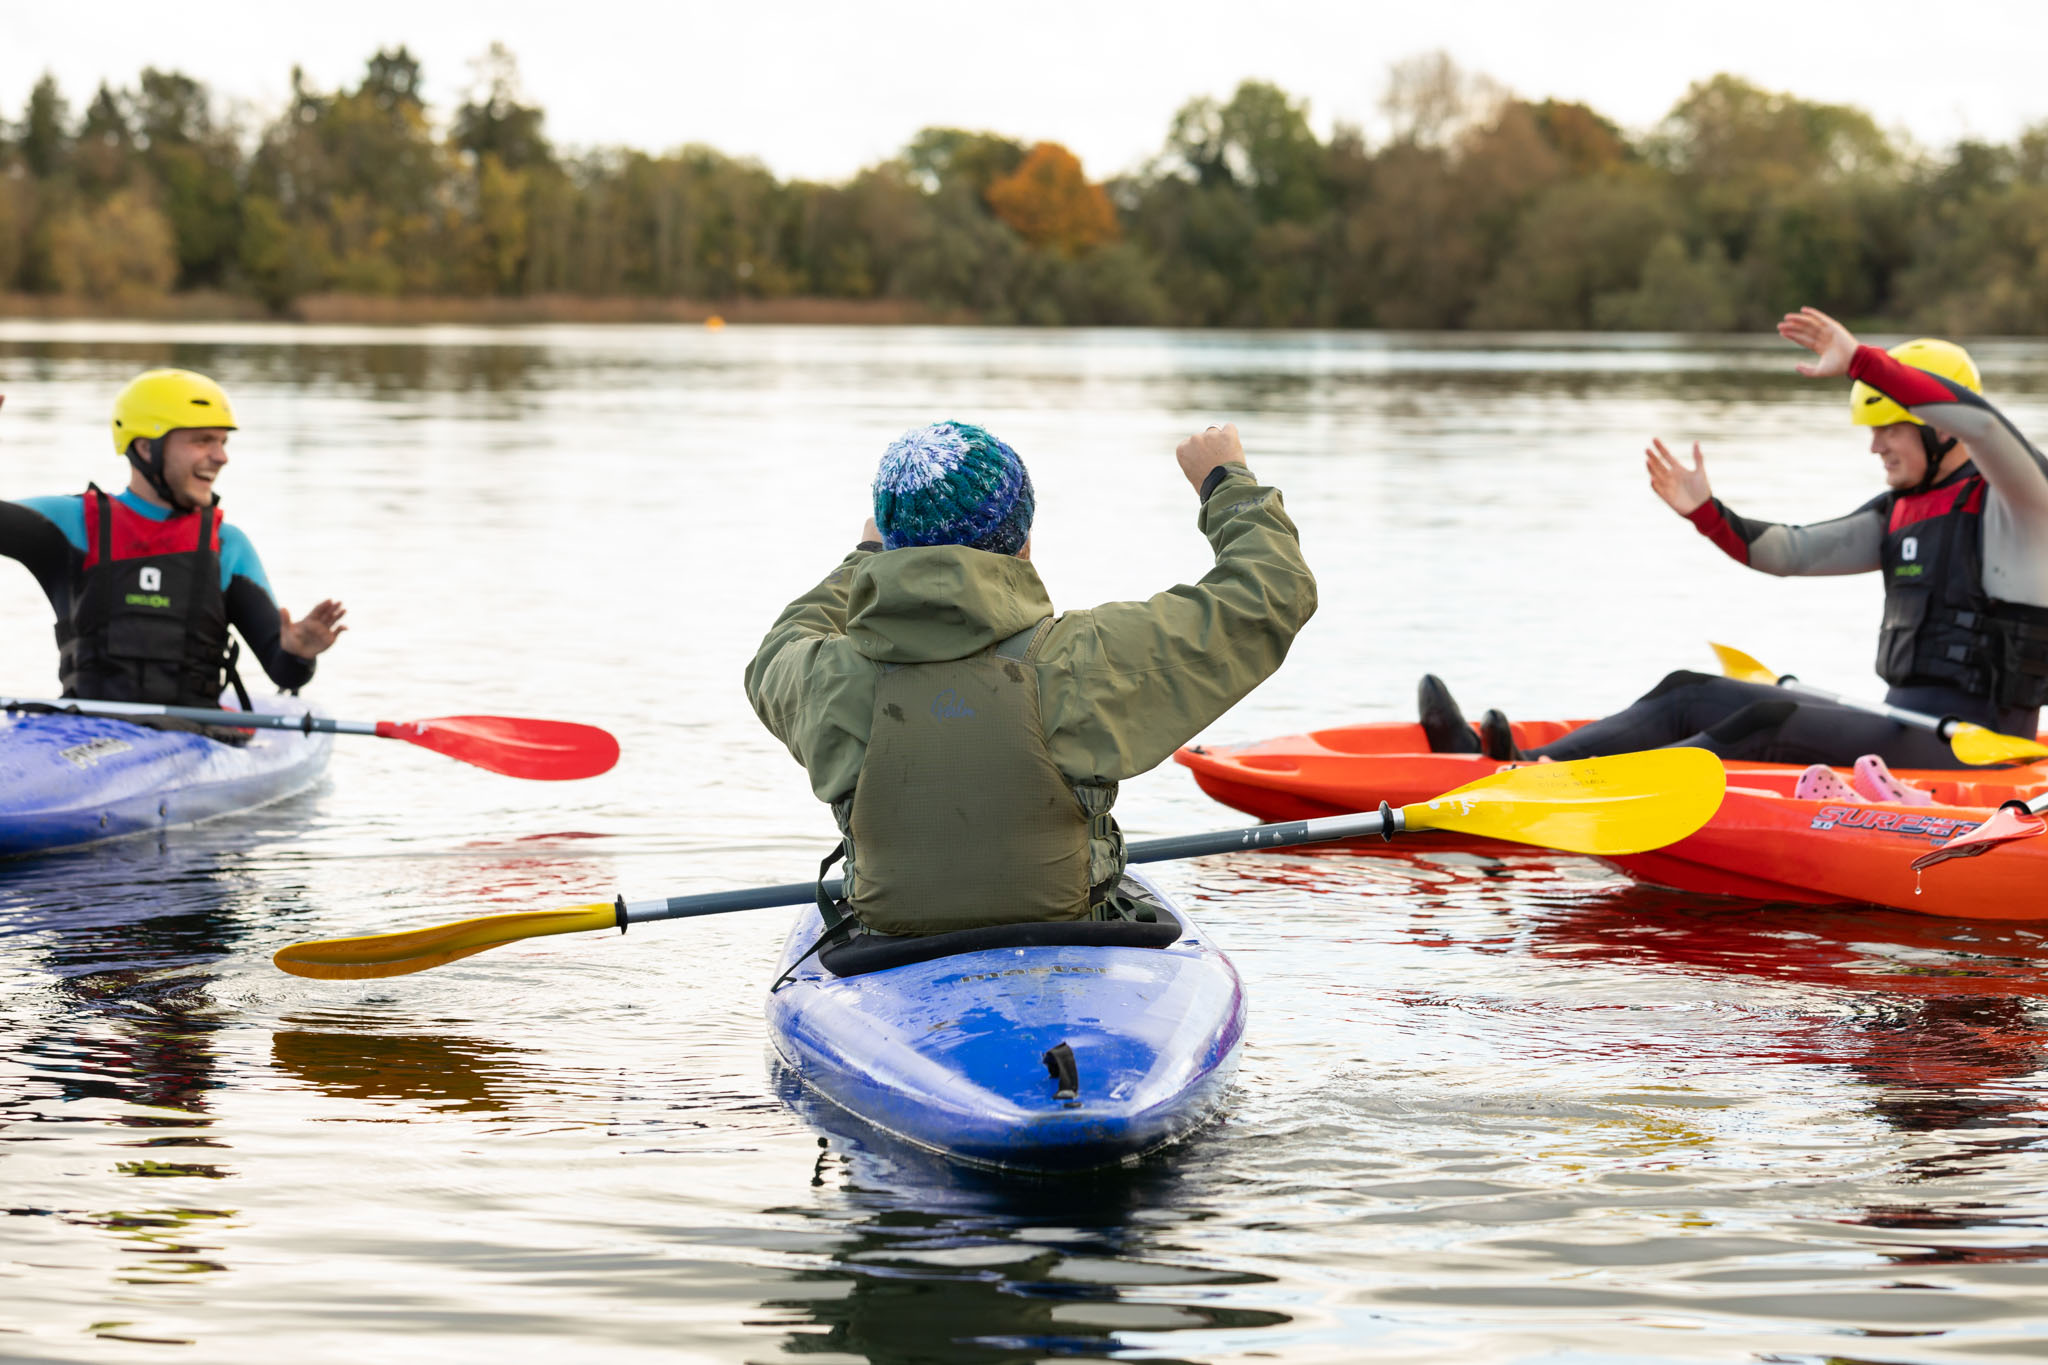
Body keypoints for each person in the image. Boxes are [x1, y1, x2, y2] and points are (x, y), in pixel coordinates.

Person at [745, 420, 1315, 938]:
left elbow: (779, 646)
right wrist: (1225, 482)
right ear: (1023, 543)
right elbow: (1271, 594)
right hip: (1067, 943)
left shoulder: (824, 677)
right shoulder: (1085, 659)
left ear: (891, 551)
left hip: (884, 955)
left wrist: (864, 556)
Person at [1420, 307, 2048, 775]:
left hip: (1980, 754)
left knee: (1764, 718)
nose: (1875, 444)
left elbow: (1987, 427)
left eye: (1890, 428)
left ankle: (1579, 789)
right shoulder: (1901, 513)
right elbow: (1788, 553)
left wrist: (1861, 360)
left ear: (1940, 428)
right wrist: (1707, 513)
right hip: (1905, 729)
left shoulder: (2022, 506)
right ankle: (1512, 765)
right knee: (1688, 691)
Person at [0, 369, 346, 723]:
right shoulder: (71, 523)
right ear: (146, 447)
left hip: (192, 739)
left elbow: (284, 672)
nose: (221, 456)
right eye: (203, 441)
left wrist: (298, 653)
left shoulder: (227, 545)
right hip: (84, 731)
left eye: (223, 442)